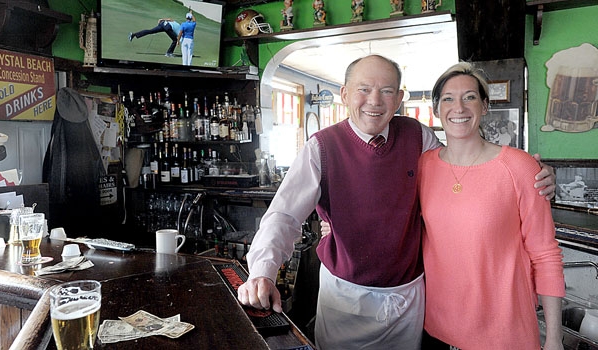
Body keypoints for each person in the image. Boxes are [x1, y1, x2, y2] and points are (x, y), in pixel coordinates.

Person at [237, 55, 556, 350]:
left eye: (386, 91)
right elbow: (283, 216)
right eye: (364, 89)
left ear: (399, 99)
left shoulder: (418, 136)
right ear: (345, 95)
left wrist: (531, 172)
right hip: (346, 297)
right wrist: (263, 271)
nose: (374, 101)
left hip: (409, 297)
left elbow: (463, 166)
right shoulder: (321, 146)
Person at [418, 62, 564, 349]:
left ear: (485, 106)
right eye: (448, 98)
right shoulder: (423, 166)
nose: (458, 107)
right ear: (436, 109)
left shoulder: (519, 167)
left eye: (470, 97)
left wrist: (555, 338)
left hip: (504, 333)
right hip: (436, 328)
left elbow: (545, 254)